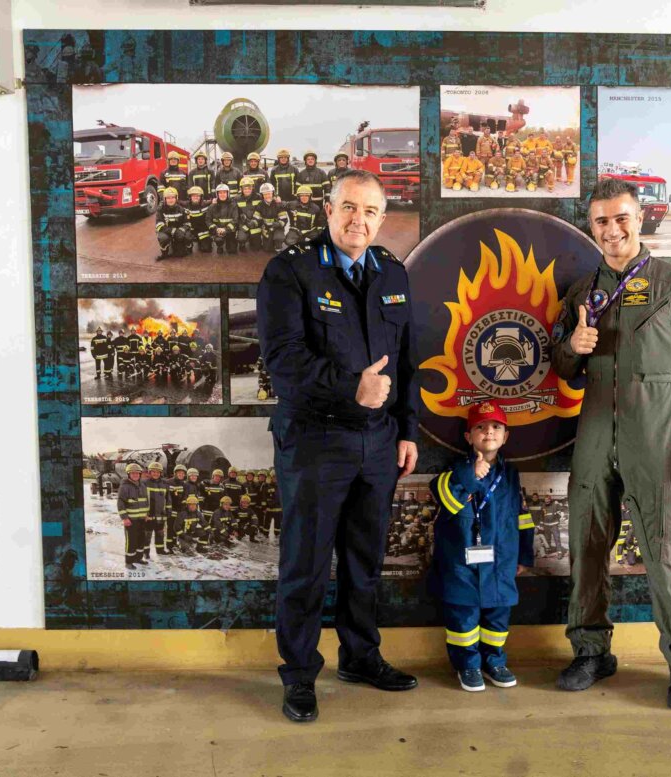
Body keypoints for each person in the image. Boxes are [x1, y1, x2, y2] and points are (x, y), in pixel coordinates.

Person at [549, 178, 671, 710]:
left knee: (668, 549)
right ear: (591, 227)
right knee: (586, 543)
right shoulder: (582, 293)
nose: (612, 230)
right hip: (594, 428)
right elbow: (559, 364)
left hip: (656, 429)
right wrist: (573, 346)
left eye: (621, 218)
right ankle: (590, 652)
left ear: (640, 218)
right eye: (601, 221)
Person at [257, 169, 420, 723]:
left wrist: (407, 430)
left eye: (370, 211)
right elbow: (283, 362)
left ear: (382, 218)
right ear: (328, 210)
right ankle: (300, 674)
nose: (359, 220)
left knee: (364, 560)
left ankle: (360, 656)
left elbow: (408, 361)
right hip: (314, 440)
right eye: (349, 207)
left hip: (378, 443)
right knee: (305, 564)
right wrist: (352, 387)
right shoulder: (290, 271)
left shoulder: (391, 271)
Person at [427, 402, 534, 692]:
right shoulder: (455, 470)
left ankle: (494, 662)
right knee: (464, 617)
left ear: (505, 436)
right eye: (481, 427)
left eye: (496, 426)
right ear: (468, 436)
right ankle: (467, 665)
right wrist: (470, 475)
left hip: (501, 561)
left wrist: (524, 555)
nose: (489, 432)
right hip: (462, 562)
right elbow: (446, 499)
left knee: (498, 616)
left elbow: (522, 516)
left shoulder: (510, 475)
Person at [116, 463, 148, 569]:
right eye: (133, 473)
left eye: (137, 473)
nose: (135, 475)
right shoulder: (125, 487)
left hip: (142, 519)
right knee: (131, 541)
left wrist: (146, 514)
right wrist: (125, 518)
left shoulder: (142, 485)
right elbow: (120, 503)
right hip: (131, 520)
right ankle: (129, 562)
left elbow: (146, 501)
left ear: (140, 474)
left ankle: (138, 558)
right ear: (128, 474)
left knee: (141, 540)